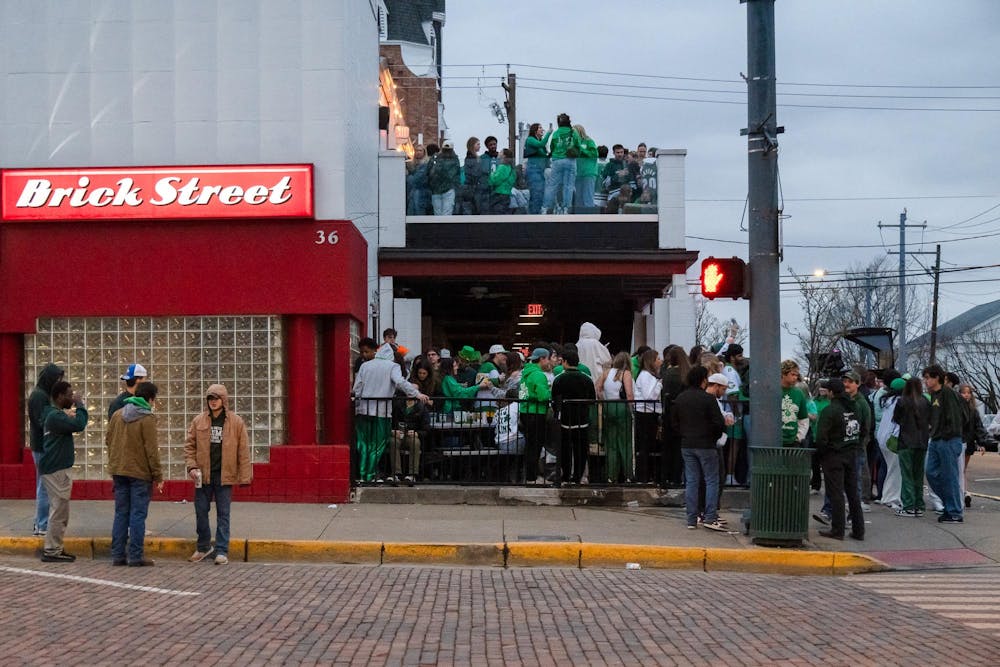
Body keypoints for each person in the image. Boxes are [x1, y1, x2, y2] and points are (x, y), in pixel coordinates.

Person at [184, 384, 252, 565]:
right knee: (201, 512)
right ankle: (204, 547)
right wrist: (191, 467)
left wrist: (245, 476)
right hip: (202, 476)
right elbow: (189, 446)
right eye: (210, 399)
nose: (213, 402)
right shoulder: (198, 421)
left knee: (223, 513)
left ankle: (222, 550)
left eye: (216, 398)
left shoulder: (236, 422)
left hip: (224, 475)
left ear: (224, 400)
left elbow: (243, 451)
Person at [353, 344, 431, 483]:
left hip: (363, 409)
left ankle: (362, 474)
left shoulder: (365, 365)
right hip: (381, 411)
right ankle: (370, 475)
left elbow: (357, 387)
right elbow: (400, 382)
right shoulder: (392, 366)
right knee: (378, 444)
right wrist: (416, 393)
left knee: (363, 443)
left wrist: (357, 403)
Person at [106, 381, 163, 567]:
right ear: (150, 399)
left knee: (121, 513)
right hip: (139, 473)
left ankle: (117, 555)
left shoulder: (117, 415)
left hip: (119, 471)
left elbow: (108, 440)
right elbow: (152, 450)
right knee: (137, 514)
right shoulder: (147, 419)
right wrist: (158, 476)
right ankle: (135, 555)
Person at [38, 380, 88, 562]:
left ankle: (55, 547)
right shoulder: (55, 417)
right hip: (57, 469)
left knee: (60, 509)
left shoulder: (54, 414)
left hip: (54, 468)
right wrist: (81, 405)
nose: (72, 397)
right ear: (59, 397)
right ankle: (52, 550)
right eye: (69, 394)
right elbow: (79, 424)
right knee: (59, 509)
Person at [672, 366, 726, 531]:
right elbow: (719, 423)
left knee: (692, 481)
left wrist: (685, 434)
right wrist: (713, 437)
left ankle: (691, 518)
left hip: (687, 444)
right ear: (703, 380)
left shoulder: (680, 398)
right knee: (711, 480)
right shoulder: (708, 399)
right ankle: (709, 516)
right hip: (706, 445)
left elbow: (674, 423)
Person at [815, 379, 865, 541]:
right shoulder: (854, 407)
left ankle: (837, 530)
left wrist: (821, 455)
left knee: (836, 493)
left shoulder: (830, 411)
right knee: (852, 494)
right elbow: (862, 429)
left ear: (831, 392)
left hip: (834, 456)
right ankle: (859, 530)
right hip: (851, 453)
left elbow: (821, 437)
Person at [922, 364, 965, 523]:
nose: (925, 381)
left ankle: (954, 511)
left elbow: (954, 417)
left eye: (928, 378)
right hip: (936, 438)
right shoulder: (935, 394)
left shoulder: (947, 393)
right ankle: (949, 504)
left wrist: (947, 434)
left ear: (937, 377)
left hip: (948, 439)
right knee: (931, 472)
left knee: (950, 476)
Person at [27, 362, 64, 537]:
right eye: (57, 379)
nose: (58, 382)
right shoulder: (38, 397)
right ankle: (41, 524)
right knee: (44, 487)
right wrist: (60, 417)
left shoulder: (43, 395)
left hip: (44, 445)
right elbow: (42, 421)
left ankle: (41, 524)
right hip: (42, 446)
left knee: (45, 485)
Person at [551, 349, 596, 486]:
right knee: (581, 449)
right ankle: (578, 476)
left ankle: (565, 475)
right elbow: (592, 400)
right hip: (582, 420)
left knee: (565, 448)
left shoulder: (559, 379)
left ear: (564, 362)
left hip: (564, 420)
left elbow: (554, 401)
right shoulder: (587, 379)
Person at [893, 377, 931, 517]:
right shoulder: (926, 401)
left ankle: (908, 504)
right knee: (918, 474)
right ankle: (919, 505)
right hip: (922, 441)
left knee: (906, 474)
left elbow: (896, 419)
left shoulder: (902, 401)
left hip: (906, 441)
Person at [597, 351, 635, 484]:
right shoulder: (626, 373)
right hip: (621, 407)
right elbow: (629, 394)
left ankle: (611, 475)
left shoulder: (606, 372)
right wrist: (632, 411)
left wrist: (604, 400)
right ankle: (628, 475)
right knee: (625, 442)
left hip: (609, 407)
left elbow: (598, 388)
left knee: (611, 443)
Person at [519, 347, 554, 485]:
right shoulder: (539, 375)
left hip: (525, 412)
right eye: (548, 358)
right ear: (542, 359)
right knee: (536, 446)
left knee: (530, 446)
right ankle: (532, 477)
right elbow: (543, 396)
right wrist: (550, 391)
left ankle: (529, 475)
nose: (549, 362)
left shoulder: (525, 373)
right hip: (536, 413)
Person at [633, 348, 663, 485]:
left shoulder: (650, 376)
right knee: (645, 445)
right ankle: (643, 476)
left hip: (650, 412)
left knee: (649, 445)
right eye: (657, 359)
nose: (660, 361)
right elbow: (649, 396)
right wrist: (659, 385)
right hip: (644, 413)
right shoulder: (645, 375)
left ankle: (648, 475)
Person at [957, 382, 989, 510]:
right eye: (964, 392)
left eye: (968, 393)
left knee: (961, 470)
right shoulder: (970, 410)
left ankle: (963, 492)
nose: (966, 395)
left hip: (965, 442)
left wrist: (982, 443)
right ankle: (964, 492)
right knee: (961, 470)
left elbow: (978, 427)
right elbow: (979, 428)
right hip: (962, 441)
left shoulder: (972, 411)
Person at [542, 113, 580, 214]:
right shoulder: (573, 132)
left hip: (557, 161)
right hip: (570, 160)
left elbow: (552, 147)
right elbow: (578, 146)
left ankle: (546, 208)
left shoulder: (556, 133)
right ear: (569, 121)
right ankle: (566, 208)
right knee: (568, 186)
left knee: (552, 185)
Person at [390, 392, 430, 486]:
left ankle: (412, 475)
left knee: (415, 442)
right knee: (393, 441)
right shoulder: (398, 405)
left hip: (412, 436)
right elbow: (390, 421)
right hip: (398, 434)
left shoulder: (422, 408)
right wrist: (392, 431)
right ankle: (396, 474)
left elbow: (426, 428)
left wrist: (417, 433)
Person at [780, 360, 810, 446]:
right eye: (792, 374)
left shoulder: (799, 393)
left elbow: (803, 418)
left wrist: (798, 437)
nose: (795, 377)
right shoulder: (773, 391)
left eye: (796, 375)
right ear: (783, 374)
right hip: (774, 441)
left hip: (792, 442)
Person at [428, 140, 461, 215]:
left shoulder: (454, 159)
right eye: (445, 149)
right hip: (436, 189)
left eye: (448, 150)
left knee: (446, 214)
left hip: (448, 189)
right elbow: (428, 172)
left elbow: (451, 175)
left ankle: (444, 227)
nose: (446, 151)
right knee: (438, 214)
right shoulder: (436, 158)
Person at [523, 122, 550, 214]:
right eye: (540, 128)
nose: (542, 129)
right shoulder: (530, 139)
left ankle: (535, 214)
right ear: (534, 130)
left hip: (540, 170)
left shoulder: (539, 142)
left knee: (540, 194)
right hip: (534, 170)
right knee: (536, 194)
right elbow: (541, 144)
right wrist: (549, 133)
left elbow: (544, 154)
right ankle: (534, 216)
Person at [573, 124, 598, 209]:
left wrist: (581, 148)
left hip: (588, 173)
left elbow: (594, 154)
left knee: (588, 197)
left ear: (579, 131)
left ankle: (590, 220)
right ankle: (578, 220)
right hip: (578, 174)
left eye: (574, 131)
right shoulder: (573, 144)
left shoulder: (589, 141)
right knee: (578, 199)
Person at [488, 148, 517, 214]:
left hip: (499, 194)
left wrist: (491, 174)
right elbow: (512, 181)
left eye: (501, 152)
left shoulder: (502, 167)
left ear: (504, 156)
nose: (499, 153)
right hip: (507, 194)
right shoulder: (512, 169)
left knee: (496, 213)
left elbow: (495, 180)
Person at [405, 144, 431, 215]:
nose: (418, 152)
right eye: (416, 150)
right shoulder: (413, 164)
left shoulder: (426, 164)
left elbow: (416, 180)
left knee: (419, 216)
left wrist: (408, 176)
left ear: (424, 152)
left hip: (422, 194)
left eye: (420, 150)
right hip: (412, 194)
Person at [460, 137, 482, 215]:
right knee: (472, 209)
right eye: (478, 144)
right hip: (471, 187)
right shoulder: (471, 157)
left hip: (472, 186)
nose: (480, 146)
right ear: (473, 145)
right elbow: (474, 173)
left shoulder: (474, 157)